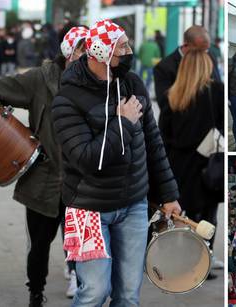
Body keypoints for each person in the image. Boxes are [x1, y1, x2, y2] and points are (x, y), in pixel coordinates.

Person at [51, 19, 181, 306]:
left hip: (133, 204)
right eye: (122, 47)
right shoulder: (66, 100)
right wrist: (123, 123)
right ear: (100, 53)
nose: (129, 51)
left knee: (128, 294)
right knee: (93, 292)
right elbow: (87, 159)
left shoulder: (132, 84)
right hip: (88, 210)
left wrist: (169, 195)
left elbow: (153, 143)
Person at [0, 24, 88, 306]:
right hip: (43, 180)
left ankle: (81, 282)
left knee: (80, 244)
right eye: (82, 47)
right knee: (39, 247)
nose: (88, 53)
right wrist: (2, 134)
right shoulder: (40, 79)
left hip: (83, 182)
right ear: (67, 49)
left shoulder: (98, 81)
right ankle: (36, 293)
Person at [163, 42, 224, 276]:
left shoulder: (173, 94)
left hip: (180, 165)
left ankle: (182, 260)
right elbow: (219, 127)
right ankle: (202, 262)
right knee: (208, 217)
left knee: (184, 215)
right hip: (208, 164)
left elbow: (164, 134)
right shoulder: (216, 91)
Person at [154, 26, 220, 137]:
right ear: (186, 44)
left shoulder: (209, 57)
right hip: (178, 134)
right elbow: (165, 104)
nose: (204, 55)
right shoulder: (165, 67)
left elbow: (216, 84)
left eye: (206, 50)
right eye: (199, 51)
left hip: (208, 134)